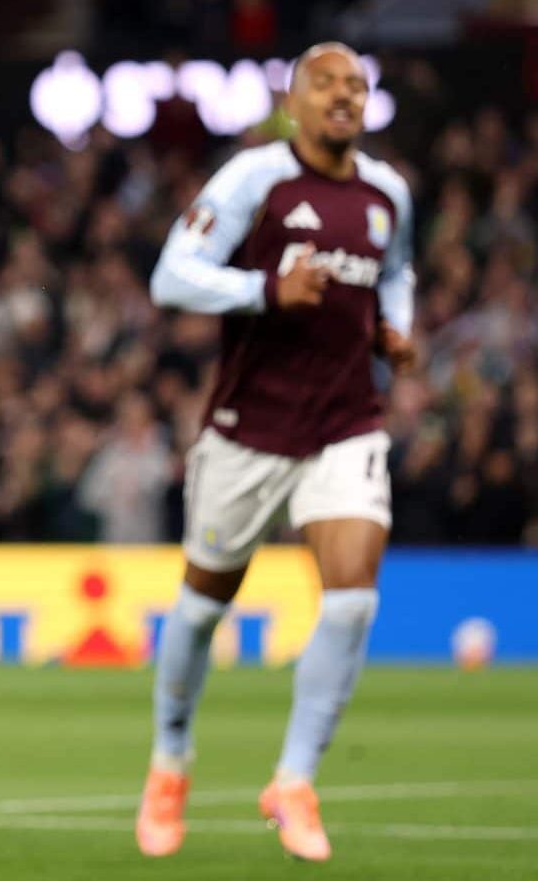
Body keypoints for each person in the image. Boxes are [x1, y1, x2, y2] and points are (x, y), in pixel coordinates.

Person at [138, 43, 416, 863]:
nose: (346, 96)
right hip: (248, 429)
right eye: (327, 83)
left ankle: (293, 779)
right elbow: (171, 276)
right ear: (294, 101)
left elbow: (395, 272)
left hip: (346, 422)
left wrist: (395, 329)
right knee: (200, 607)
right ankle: (170, 759)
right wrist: (265, 289)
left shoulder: (388, 192)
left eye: (359, 85)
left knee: (354, 598)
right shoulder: (254, 179)